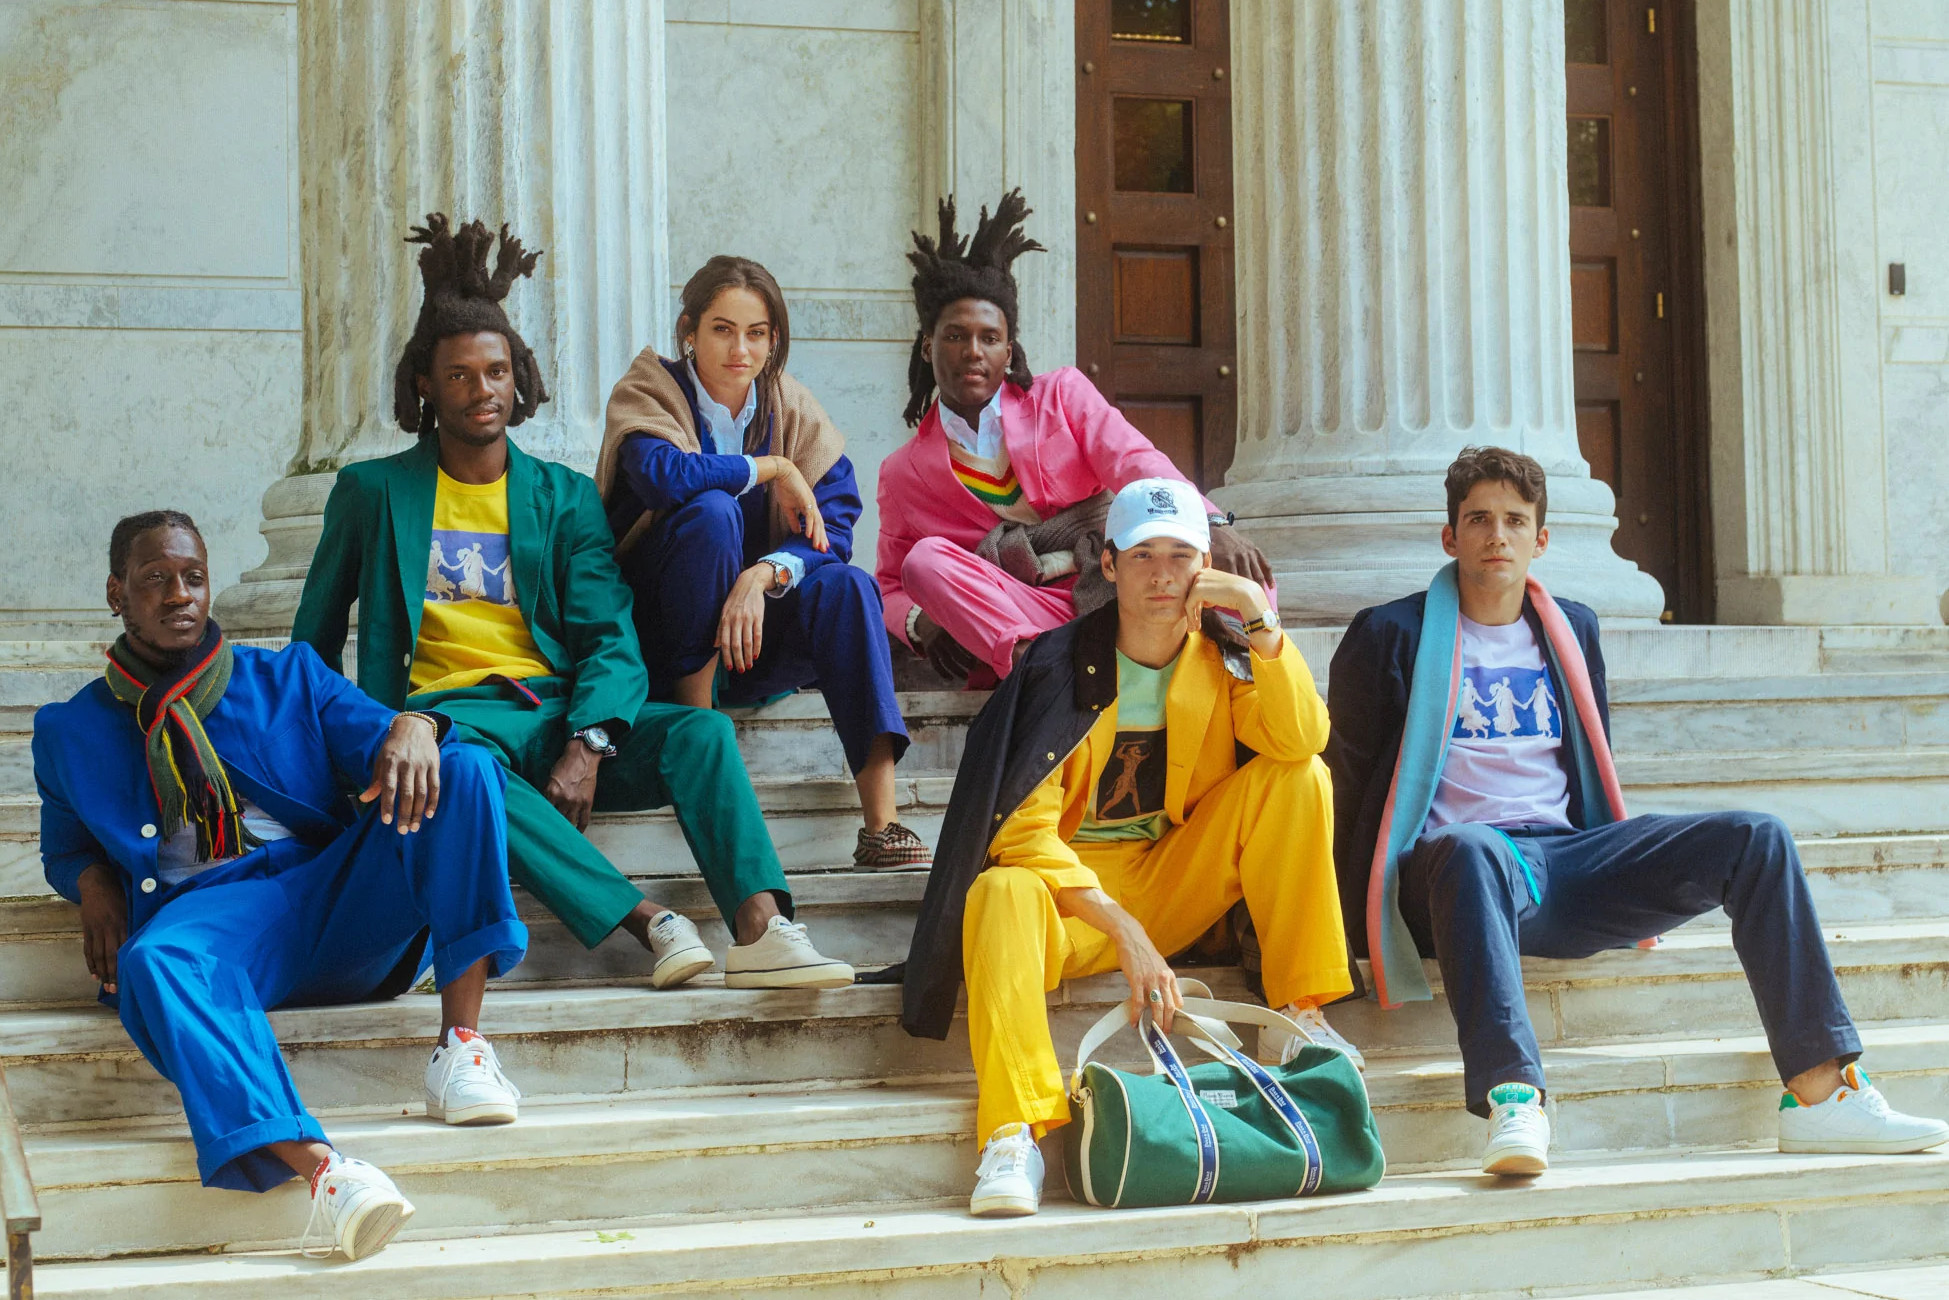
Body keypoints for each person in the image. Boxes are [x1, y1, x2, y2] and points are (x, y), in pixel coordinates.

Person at [1325, 445, 1949, 1176]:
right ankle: (1514, 1099)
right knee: (1472, 846)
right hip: (1456, 874)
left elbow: (1588, 764)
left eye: (1514, 521)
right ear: (1449, 536)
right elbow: (1348, 785)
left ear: (1540, 539)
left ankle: (1821, 1095)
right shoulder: (1388, 635)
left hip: (1562, 862)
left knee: (1756, 837)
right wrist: (1333, 940)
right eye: (1478, 519)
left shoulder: (1571, 627)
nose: (1497, 536)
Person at [294, 215, 851, 992]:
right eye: (458, 375)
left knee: (696, 733)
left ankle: (759, 928)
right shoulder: (370, 493)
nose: (480, 390)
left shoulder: (560, 497)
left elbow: (609, 635)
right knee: (465, 776)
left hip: (554, 711)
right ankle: (648, 919)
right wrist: (343, 749)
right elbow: (310, 646)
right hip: (444, 722)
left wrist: (587, 742)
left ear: (517, 376)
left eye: (494, 372)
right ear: (425, 384)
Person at [34, 511, 529, 1260]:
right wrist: (92, 881)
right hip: (212, 922)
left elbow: (390, 739)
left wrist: (417, 723)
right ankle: (328, 1174)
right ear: (117, 594)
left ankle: (460, 1044)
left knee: (463, 771)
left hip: (329, 897)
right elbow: (64, 844)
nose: (179, 595)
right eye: (155, 580)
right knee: (154, 961)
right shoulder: (69, 729)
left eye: (192, 578)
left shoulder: (287, 675)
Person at [899, 478, 1354, 1218]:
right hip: (1073, 905)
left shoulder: (1225, 654)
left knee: (1297, 776)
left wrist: (1260, 619)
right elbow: (1018, 831)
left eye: (1180, 556)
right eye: (1143, 555)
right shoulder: (1054, 663)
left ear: (1202, 566)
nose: (1162, 574)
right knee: (999, 890)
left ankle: (1302, 1011)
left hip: (1174, 878)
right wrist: (1121, 927)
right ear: (1107, 566)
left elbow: (1300, 737)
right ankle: (1013, 1133)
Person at [597, 255, 927, 870]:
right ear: (688, 331)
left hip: (750, 642)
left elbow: (836, 522)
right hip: (662, 642)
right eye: (722, 329)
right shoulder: (650, 390)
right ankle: (701, 739)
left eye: (756, 333)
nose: (738, 350)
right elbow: (666, 478)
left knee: (850, 587)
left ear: (774, 340)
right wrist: (772, 468)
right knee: (712, 513)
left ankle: (882, 824)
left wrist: (764, 574)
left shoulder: (790, 407)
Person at [874, 190, 1275, 685]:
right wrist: (922, 620)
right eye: (955, 336)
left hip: (1115, 586)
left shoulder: (1061, 395)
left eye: (989, 338)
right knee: (926, 562)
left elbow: (1136, 462)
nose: (972, 352)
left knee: (1244, 575)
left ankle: (1240, 674)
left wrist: (1211, 522)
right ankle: (1044, 675)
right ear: (927, 345)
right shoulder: (902, 473)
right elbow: (892, 582)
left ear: (1009, 350)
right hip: (1026, 614)